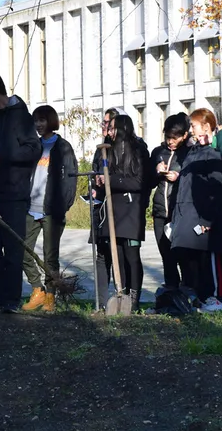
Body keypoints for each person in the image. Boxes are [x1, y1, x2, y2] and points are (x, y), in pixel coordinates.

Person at [0, 71, 41, 313]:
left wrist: (4, 156)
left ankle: (11, 298)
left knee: (13, 248)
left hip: (15, 194)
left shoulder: (22, 117)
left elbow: (33, 150)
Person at [169, 109, 222, 312]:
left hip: (208, 218)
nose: (191, 130)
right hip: (189, 215)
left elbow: (217, 190)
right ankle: (201, 295)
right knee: (194, 259)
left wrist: (207, 220)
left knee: (212, 258)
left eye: (194, 126)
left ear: (206, 126)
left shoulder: (214, 155)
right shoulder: (193, 153)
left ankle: (216, 297)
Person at [21, 105, 78, 312]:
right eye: (36, 120)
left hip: (52, 210)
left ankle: (50, 297)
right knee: (22, 249)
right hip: (30, 207)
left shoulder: (63, 147)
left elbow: (70, 178)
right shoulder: (34, 145)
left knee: (50, 256)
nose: (38, 124)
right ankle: (37, 289)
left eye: (42, 120)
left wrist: (63, 206)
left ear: (51, 121)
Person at [92, 114, 149, 313]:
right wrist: (99, 181)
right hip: (113, 210)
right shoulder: (109, 150)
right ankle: (121, 293)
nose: (110, 132)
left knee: (131, 255)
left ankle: (134, 297)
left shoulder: (138, 149)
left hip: (131, 211)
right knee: (118, 255)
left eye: (113, 128)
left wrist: (112, 180)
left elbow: (139, 182)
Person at [148, 113, 190, 290]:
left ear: (184, 135)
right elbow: (149, 182)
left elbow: (193, 182)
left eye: (175, 138)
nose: (171, 142)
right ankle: (172, 290)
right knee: (165, 254)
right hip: (160, 210)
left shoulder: (188, 153)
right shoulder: (158, 152)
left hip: (179, 212)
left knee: (182, 255)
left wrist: (179, 177)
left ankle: (188, 289)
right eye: (168, 137)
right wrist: (156, 171)